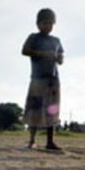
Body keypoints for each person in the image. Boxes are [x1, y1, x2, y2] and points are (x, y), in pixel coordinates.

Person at [22, 8, 64, 151]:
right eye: (45, 23)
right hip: (37, 79)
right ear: (38, 24)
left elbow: (61, 59)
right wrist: (42, 53)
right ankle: (32, 140)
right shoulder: (34, 37)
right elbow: (24, 50)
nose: (48, 26)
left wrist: (58, 57)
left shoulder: (56, 41)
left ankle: (50, 141)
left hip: (53, 80)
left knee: (52, 110)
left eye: (51, 23)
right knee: (34, 109)